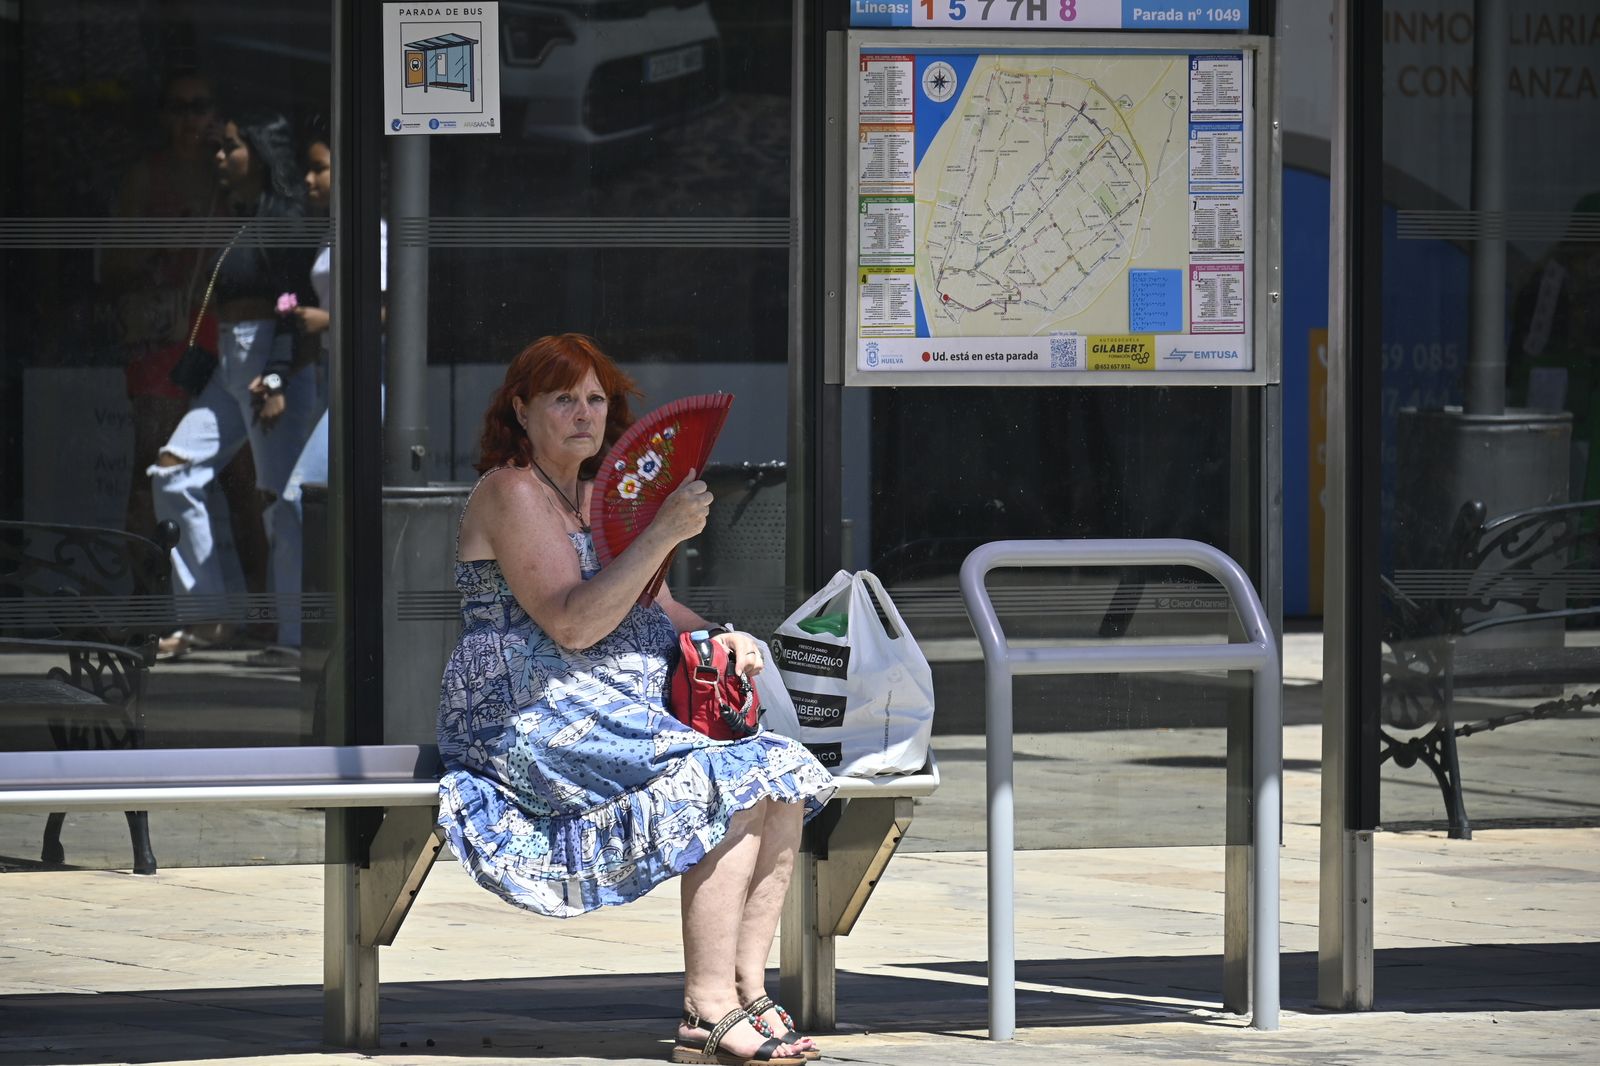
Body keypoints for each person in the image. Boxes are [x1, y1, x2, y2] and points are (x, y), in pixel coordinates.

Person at [437, 334, 836, 1066]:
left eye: (596, 399)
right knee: (726, 778)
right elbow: (572, 621)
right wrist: (661, 532)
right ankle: (704, 1006)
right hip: (530, 713)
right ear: (520, 410)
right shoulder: (511, 490)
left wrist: (724, 634)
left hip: (614, 702)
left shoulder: (600, 494)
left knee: (779, 772)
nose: (585, 413)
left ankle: (748, 989)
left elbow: (657, 607)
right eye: (564, 398)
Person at [149, 107, 322, 660]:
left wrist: (276, 375)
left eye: (230, 147)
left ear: (259, 152)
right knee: (171, 471)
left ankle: (295, 637)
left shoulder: (286, 218)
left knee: (282, 501)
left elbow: (300, 308)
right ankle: (208, 616)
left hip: (270, 364)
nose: (219, 157)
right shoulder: (238, 215)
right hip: (230, 365)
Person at [245, 122, 388, 668]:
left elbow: (384, 312)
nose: (308, 178)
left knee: (296, 500)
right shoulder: (334, 231)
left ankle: (309, 635)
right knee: (294, 505)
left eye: (319, 168)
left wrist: (323, 318)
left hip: (366, 386)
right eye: (307, 168)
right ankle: (297, 634)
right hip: (333, 378)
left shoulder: (369, 231)